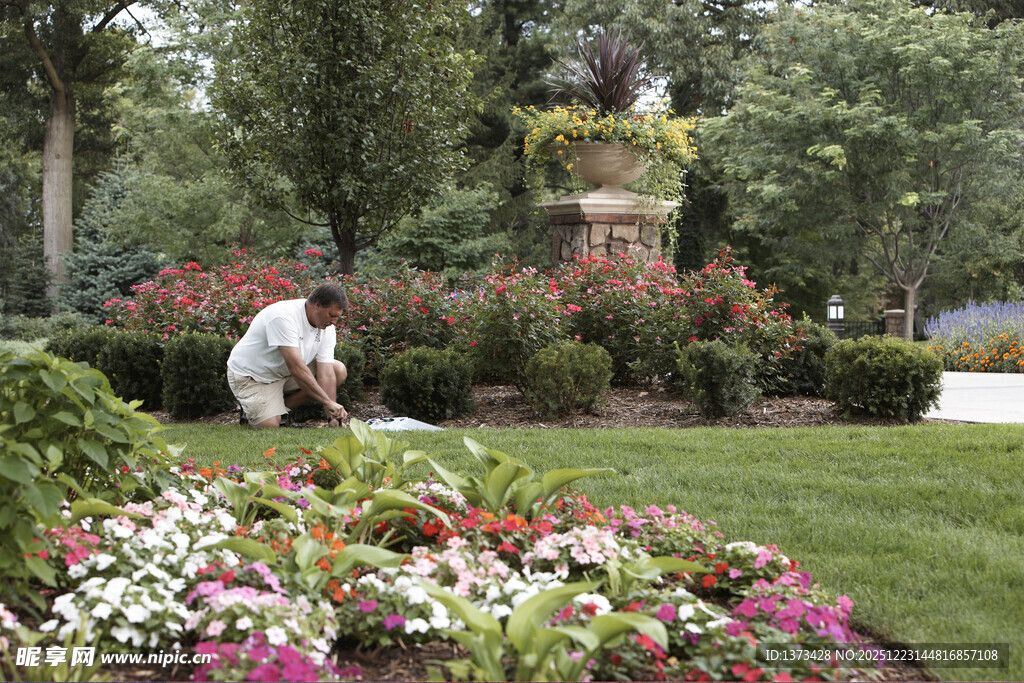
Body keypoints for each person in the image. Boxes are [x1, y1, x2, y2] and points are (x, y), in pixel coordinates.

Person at [227, 282, 349, 429]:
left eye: (337, 317)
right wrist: (328, 402)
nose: (334, 322)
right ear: (317, 304)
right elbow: (296, 368)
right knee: (269, 426)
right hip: (254, 376)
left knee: (338, 371)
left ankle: (281, 410)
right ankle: (254, 413)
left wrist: (332, 417)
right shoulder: (283, 317)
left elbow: (327, 374)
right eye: (331, 315)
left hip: (283, 373)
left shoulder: (326, 326)